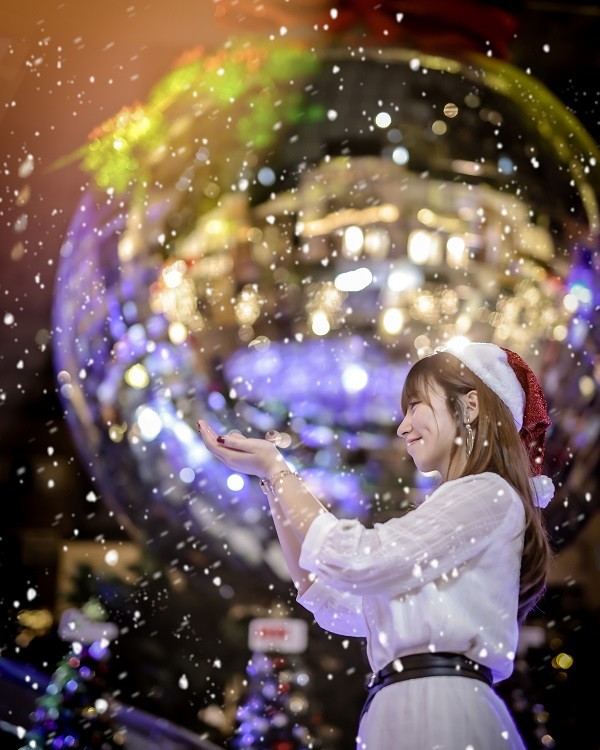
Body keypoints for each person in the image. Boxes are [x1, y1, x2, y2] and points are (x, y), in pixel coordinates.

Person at [197, 340, 555, 749]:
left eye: (416, 405)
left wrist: (276, 468)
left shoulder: (489, 493)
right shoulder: (459, 506)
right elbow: (330, 596)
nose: (403, 427)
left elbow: (357, 559)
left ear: (470, 406)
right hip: (405, 708)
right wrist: (271, 480)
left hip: (440, 711)